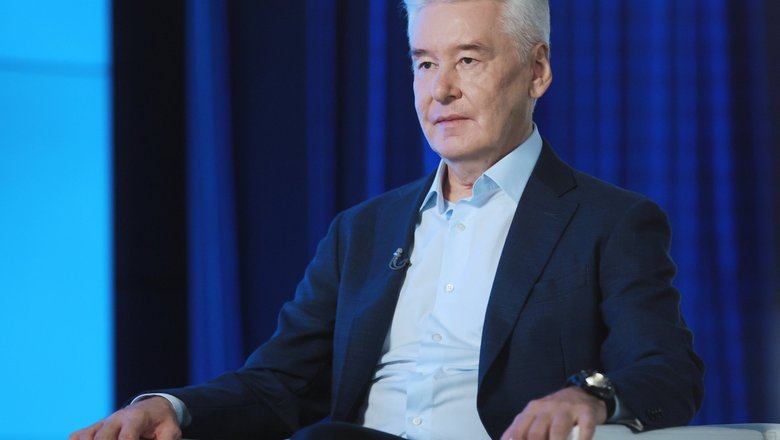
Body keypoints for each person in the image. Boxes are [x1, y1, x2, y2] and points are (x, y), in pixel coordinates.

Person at [71, 0, 704, 439]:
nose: (440, 91)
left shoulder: (608, 222)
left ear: (536, 70)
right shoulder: (361, 232)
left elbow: (668, 372)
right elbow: (277, 384)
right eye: (424, 63)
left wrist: (588, 394)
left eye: (468, 60)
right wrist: (174, 408)